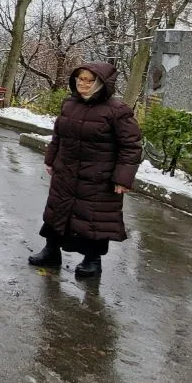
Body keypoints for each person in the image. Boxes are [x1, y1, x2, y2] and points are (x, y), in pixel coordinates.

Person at [28, 62, 143, 279]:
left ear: (101, 83)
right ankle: (51, 251)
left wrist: (123, 178)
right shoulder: (69, 104)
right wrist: (51, 160)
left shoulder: (117, 111)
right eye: (80, 79)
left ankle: (92, 260)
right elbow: (58, 136)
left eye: (89, 80)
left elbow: (131, 146)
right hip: (66, 172)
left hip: (98, 178)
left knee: (94, 219)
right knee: (57, 211)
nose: (83, 84)